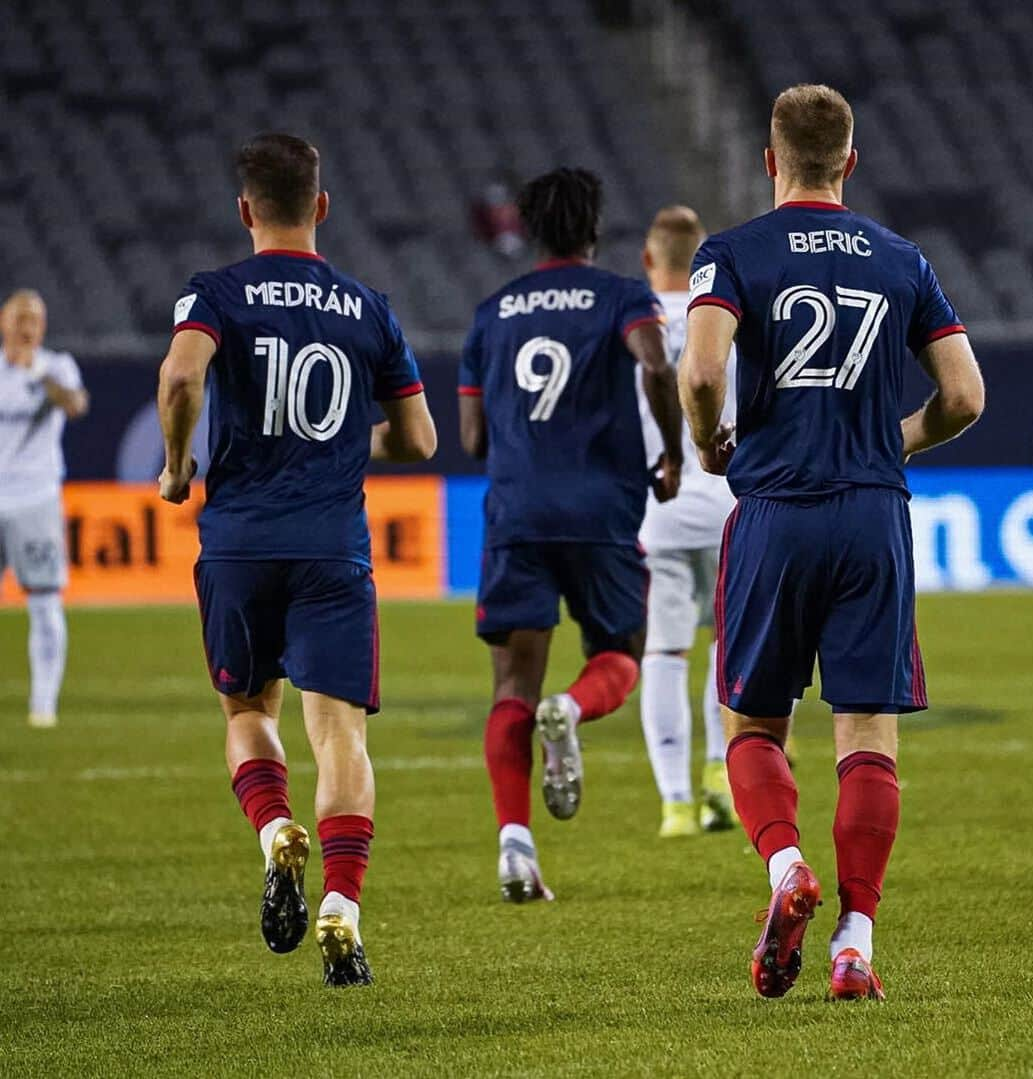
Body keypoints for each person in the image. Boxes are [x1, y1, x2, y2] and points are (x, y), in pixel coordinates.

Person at [679, 85, 983, 1001]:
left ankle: (785, 872)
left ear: (770, 161)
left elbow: (700, 370)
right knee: (867, 733)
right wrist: (893, 439)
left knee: (754, 722)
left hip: (775, 507)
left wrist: (706, 441)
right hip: (871, 514)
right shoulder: (902, 258)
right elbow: (965, 396)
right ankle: (855, 943)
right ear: (850, 161)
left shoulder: (730, 253)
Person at [157, 133, 437, 987]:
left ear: (245, 210)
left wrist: (176, 468)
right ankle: (344, 906)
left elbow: (179, 379)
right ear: (321, 206)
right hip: (332, 549)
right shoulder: (369, 306)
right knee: (340, 732)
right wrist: (346, 440)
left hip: (240, 542)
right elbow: (420, 438)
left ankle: (276, 829)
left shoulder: (213, 295)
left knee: (248, 709)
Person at [459, 167, 684, 902]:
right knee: (620, 653)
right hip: (600, 509)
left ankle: (515, 847)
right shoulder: (621, 297)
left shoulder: (492, 312)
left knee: (511, 683)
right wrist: (672, 451)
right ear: (594, 228)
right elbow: (655, 361)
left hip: (518, 512)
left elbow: (470, 440)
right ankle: (575, 708)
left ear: (528, 229)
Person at [635, 206, 739, 838]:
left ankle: (675, 804)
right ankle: (718, 775)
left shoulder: (633, 327)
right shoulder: (724, 318)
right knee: (728, 647)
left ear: (648, 260)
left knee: (665, 652)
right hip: (730, 504)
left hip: (661, 509)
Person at [0, 289, 89, 729]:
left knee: (45, 601)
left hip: (34, 500)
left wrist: (35, 372)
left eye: (34, 317)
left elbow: (75, 404)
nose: (26, 325)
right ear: (4, 323)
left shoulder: (56, 367)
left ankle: (43, 705)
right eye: (19, 317)